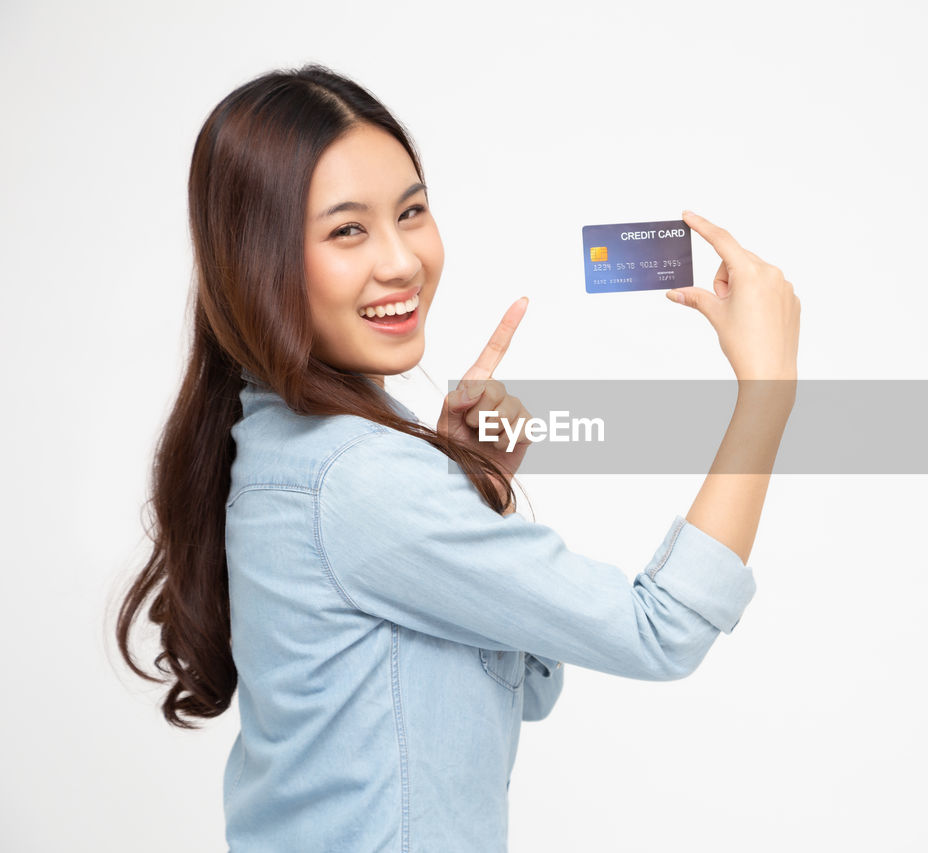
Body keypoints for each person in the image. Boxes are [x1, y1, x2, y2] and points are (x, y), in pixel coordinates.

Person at [114, 63, 800, 853]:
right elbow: (661, 629)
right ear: (255, 260)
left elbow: (519, 690)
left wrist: (473, 489)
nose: (401, 261)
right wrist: (769, 392)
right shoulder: (358, 478)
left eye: (412, 212)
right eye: (347, 229)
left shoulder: (287, 444)